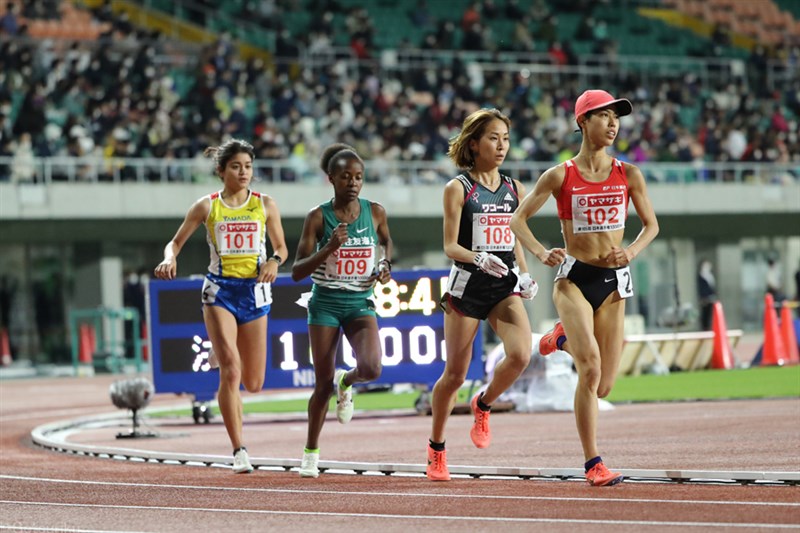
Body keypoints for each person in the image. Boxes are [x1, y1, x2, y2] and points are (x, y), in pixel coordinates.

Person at [510, 90, 659, 486]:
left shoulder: (629, 173)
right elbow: (517, 220)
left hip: (612, 283)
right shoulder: (560, 175)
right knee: (589, 368)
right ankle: (594, 463)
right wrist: (542, 253)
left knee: (605, 385)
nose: (613, 124)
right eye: (603, 116)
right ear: (582, 122)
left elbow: (652, 226)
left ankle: (560, 339)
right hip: (573, 279)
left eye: (616, 118)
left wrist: (631, 251)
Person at [153, 139, 288, 474]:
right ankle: (239, 449)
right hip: (220, 291)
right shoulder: (207, 206)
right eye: (236, 167)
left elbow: (283, 248)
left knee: (254, 382)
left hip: (255, 291)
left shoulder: (265, 204)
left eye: (248, 167)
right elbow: (176, 241)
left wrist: (273, 261)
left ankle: (222, 350)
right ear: (221, 170)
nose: (243, 173)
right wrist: (169, 257)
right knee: (231, 369)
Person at [427, 108, 538, 482]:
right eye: (494, 138)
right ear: (474, 144)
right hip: (467, 287)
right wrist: (479, 257)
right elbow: (449, 246)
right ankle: (437, 449)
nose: (502, 145)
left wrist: (523, 274)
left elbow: (516, 236)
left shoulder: (514, 188)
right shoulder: (458, 188)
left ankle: (484, 403)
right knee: (454, 375)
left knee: (521, 354)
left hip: (503, 286)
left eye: (506, 138)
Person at [291, 143, 393, 478]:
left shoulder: (375, 211)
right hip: (326, 303)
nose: (353, 182)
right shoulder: (318, 217)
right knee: (321, 385)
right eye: (346, 176)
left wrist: (385, 264)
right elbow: (296, 272)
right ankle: (310, 452)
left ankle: (346, 382)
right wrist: (329, 248)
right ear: (332, 179)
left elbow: (387, 243)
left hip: (360, 301)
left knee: (373, 368)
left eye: (359, 177)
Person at [697, 260, 717, 331]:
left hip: (710, 297)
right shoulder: (701, 276)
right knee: (704, 314)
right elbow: (701, 288)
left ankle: (709, 327)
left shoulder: (710, 276)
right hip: (705, 299)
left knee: (710, 314)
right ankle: (704, 328)